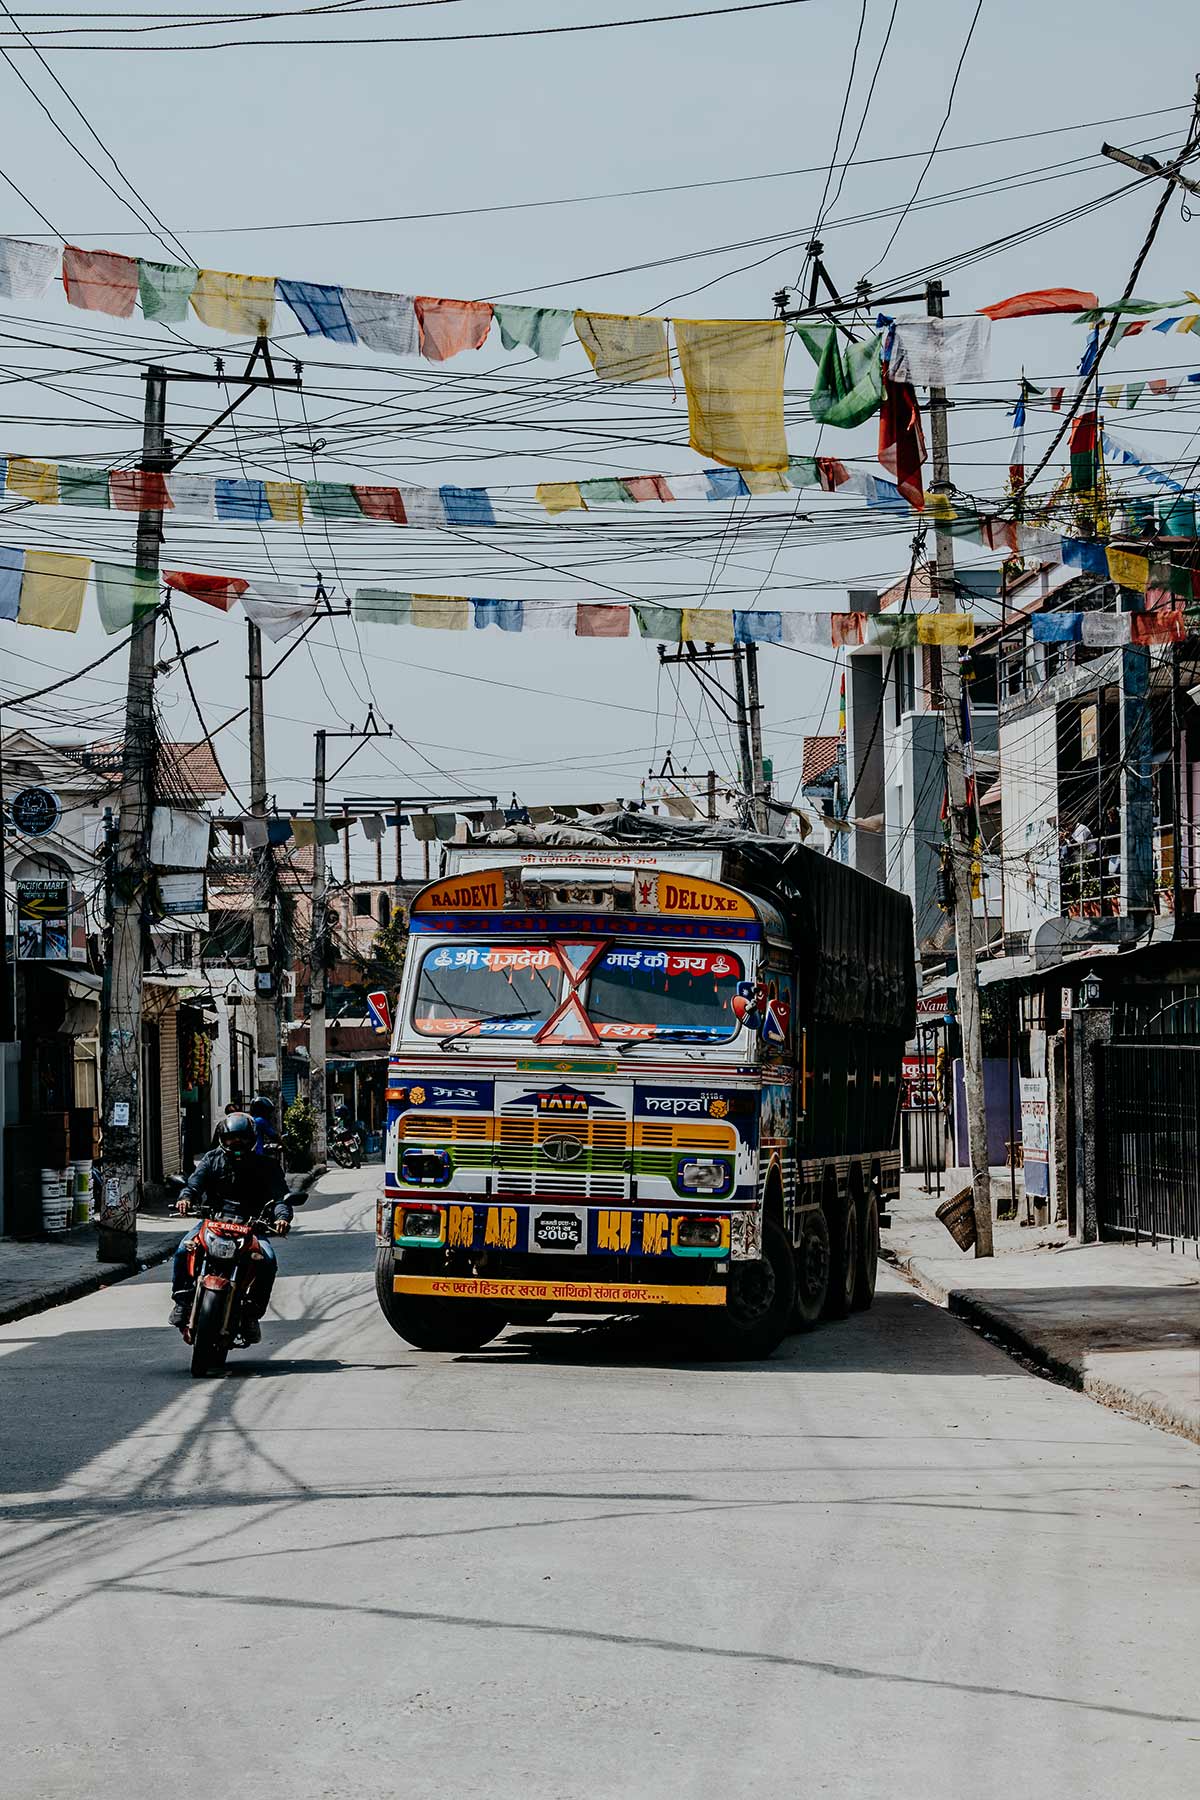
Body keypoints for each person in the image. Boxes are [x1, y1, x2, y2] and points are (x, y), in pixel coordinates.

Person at [169, 1112, 292, 1343]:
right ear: (222, 1139)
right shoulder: (211, 1159)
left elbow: (280, 1198)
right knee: (183, 1251)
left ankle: (252, 1314)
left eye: (242, 1139)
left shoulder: (267, 1166)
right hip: (214, 1221)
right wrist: (186, 1198)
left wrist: (282, 1218)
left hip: (251, 1225)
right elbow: (194, 1184)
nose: (236, 1144)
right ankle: (182, 1302)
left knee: (268, 1261)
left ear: (252, 1139)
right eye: (230, 1139)